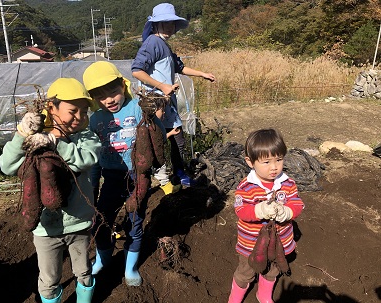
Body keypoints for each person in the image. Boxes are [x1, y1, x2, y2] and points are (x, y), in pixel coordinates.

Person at [0, 78, 101, 303]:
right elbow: (7, 166)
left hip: (80, 224)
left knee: (83, 272)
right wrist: (22, 135)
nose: (79, 117)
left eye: (84, 112)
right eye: (73, 110)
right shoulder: (35, 141)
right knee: (48, 278)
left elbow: (86, 159)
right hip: (45, 229)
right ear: (50, 108)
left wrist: (56, 143)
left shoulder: (86, 137)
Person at [83, 61, 166, 285]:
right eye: (101, 97)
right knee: (100, 221)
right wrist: (92, 186)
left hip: (137, 176)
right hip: (110, 178)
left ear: (123, 86)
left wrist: (152, 114)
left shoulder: (138, 108)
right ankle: (103, 259)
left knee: (134, 221)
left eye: (113, 93)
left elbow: (157, 136)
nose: (109, 100)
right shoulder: (96, 120)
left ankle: (130, 268)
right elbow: (94, 158)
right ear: (93, 99)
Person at [131, 2, 216, 187]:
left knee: (177, 137)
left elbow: (180, 67)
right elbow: (137, 70)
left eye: (172, 24)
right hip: (156, 102)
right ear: (155, 25)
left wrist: (202, 74)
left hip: (167, 101)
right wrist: (163, 86)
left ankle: (177, 173)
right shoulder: (153, 42)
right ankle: (159, 177)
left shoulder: (164, 45)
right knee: (157, 139)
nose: (170, 27)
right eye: (166, 23)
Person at [228, 128, 305, 303]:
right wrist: (258, 210)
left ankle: (263, 294)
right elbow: (240, 210)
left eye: (279, 160)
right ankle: (235, 297)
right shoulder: (246, 187)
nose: (274, 167)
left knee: (272, 270)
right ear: (250, 162)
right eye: (266, 162)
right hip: (251, 244)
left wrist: (288, 211)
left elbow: (297, 204)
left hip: (279, 243)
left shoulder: (287, 183)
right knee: (245, 272)